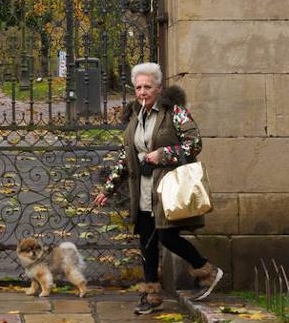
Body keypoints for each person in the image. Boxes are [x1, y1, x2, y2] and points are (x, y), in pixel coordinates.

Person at [92, 62, 223, 314]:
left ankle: (207, 272)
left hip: (165, 189)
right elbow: (125, 157)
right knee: (147, 242)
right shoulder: (135, 116)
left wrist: (163, 154)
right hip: (142, 189)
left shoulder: (174, 112)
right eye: (138, 87)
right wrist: (107, 190)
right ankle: (151, 296)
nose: (142, 92)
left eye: (147, 87)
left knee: (166, 235)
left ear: (158, 88)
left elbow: (194, 143)